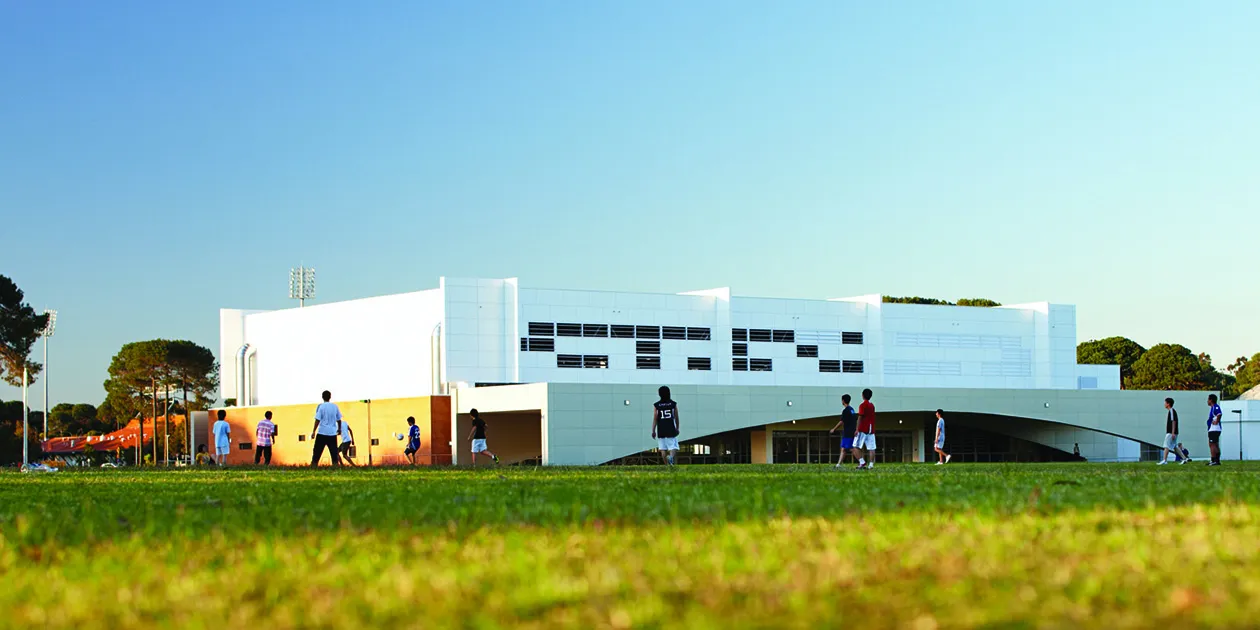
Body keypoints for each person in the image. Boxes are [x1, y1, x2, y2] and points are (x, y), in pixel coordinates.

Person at [310, 390, 343, 467]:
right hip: (332, 433)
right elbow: (339, 419)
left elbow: (317, 419)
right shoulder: (335, 406)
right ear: (330, 397)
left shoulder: (321, 406)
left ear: (322, 397)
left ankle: (314, 465)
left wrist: (313, 431)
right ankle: (335, 466)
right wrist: (339, 429)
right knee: (334, 452)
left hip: (322, 432)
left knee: (317, 452)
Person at [651, 387, 680, 466]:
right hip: (670, 427)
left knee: (663, 448)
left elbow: (655, 418)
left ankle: (667, 465)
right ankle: (671, 457)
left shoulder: (657, 405)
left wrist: (653, 430)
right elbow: (676, 417)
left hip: (661, 428)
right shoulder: (673, 404)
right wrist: (677, 428)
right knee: (673, 446)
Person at [828, 394, 858, 468]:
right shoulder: (852, 409)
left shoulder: (845, 411)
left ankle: (861, 461)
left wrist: (834, 429)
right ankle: (838, 464)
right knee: (844, 448)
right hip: (851, 431)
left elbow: (842, 421)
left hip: (848, 432)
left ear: (843, 401)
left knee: (851, 448)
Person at [854, 388, 876, 469]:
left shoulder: (862, 405)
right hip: (871, 429)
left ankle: (862, 462)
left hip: (863, 429)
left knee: (855, 446)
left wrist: (857, 429)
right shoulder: (872, 405)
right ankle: (871, 465)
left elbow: (860, 417)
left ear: (863, 395)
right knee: (871, 447)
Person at [1206, 394, 1223, 466]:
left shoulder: (1215, 407)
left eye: (1208, 399)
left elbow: (1219, 414)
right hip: (1213, 429)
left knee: (1212, 444)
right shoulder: (1212, 408)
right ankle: (1217, 460)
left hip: (1214, 429)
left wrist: (1217, 421)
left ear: (1211, 400)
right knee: (1215, 444)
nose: (1207, 401)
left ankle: (1214, 460)